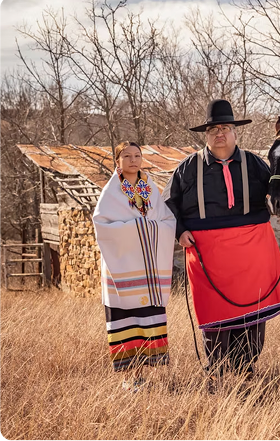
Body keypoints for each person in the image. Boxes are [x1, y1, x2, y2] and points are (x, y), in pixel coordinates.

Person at [163, 99, 280, 378]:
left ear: (235, 132)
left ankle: (246, 369)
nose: (220, 133)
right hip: (207, 252)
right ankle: (216, 371)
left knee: (252, 311)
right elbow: (168, 204)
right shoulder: (188, 167)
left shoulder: (254, 164)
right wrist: (180, 231)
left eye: (225, 128)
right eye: (213, 129)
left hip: (253, 249)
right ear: (206, 134)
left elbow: (276, 195)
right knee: (214, 311)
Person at [93, 141, 176, 392]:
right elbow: (102, 225)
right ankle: (130, 377)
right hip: (122, 267)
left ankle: (142, 375)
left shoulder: (149, 187)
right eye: (127, 156)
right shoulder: (111, 191)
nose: (133, 160)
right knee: (125, 319)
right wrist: (139, 228)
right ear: (117, 160)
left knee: (145, 316)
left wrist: (151, 228)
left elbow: (167, 219)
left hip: (147, 268)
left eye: (137, 155)